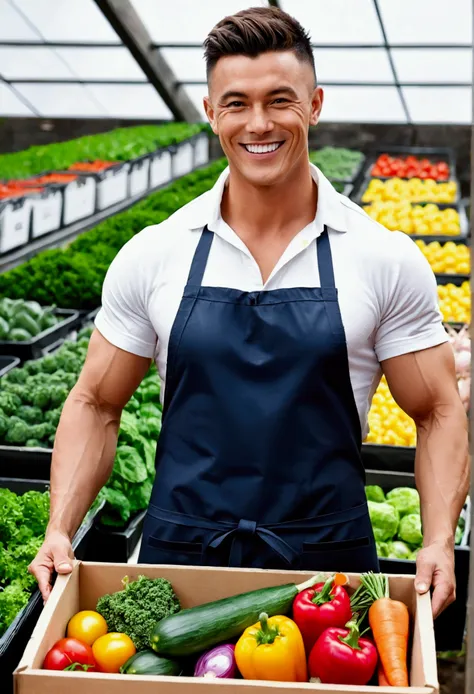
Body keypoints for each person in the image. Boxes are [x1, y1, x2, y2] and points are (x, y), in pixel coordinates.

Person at [30, 6, 468, 619]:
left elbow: (439, 409)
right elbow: (95, 402)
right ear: (211, 114)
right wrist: (59, 528)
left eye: (279, 100)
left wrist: (439, 540)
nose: (258, 123)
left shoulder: (382, 257)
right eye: (235, 103)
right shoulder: (157, 251)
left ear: (314, 105)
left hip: (328, 569)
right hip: (178, 561)